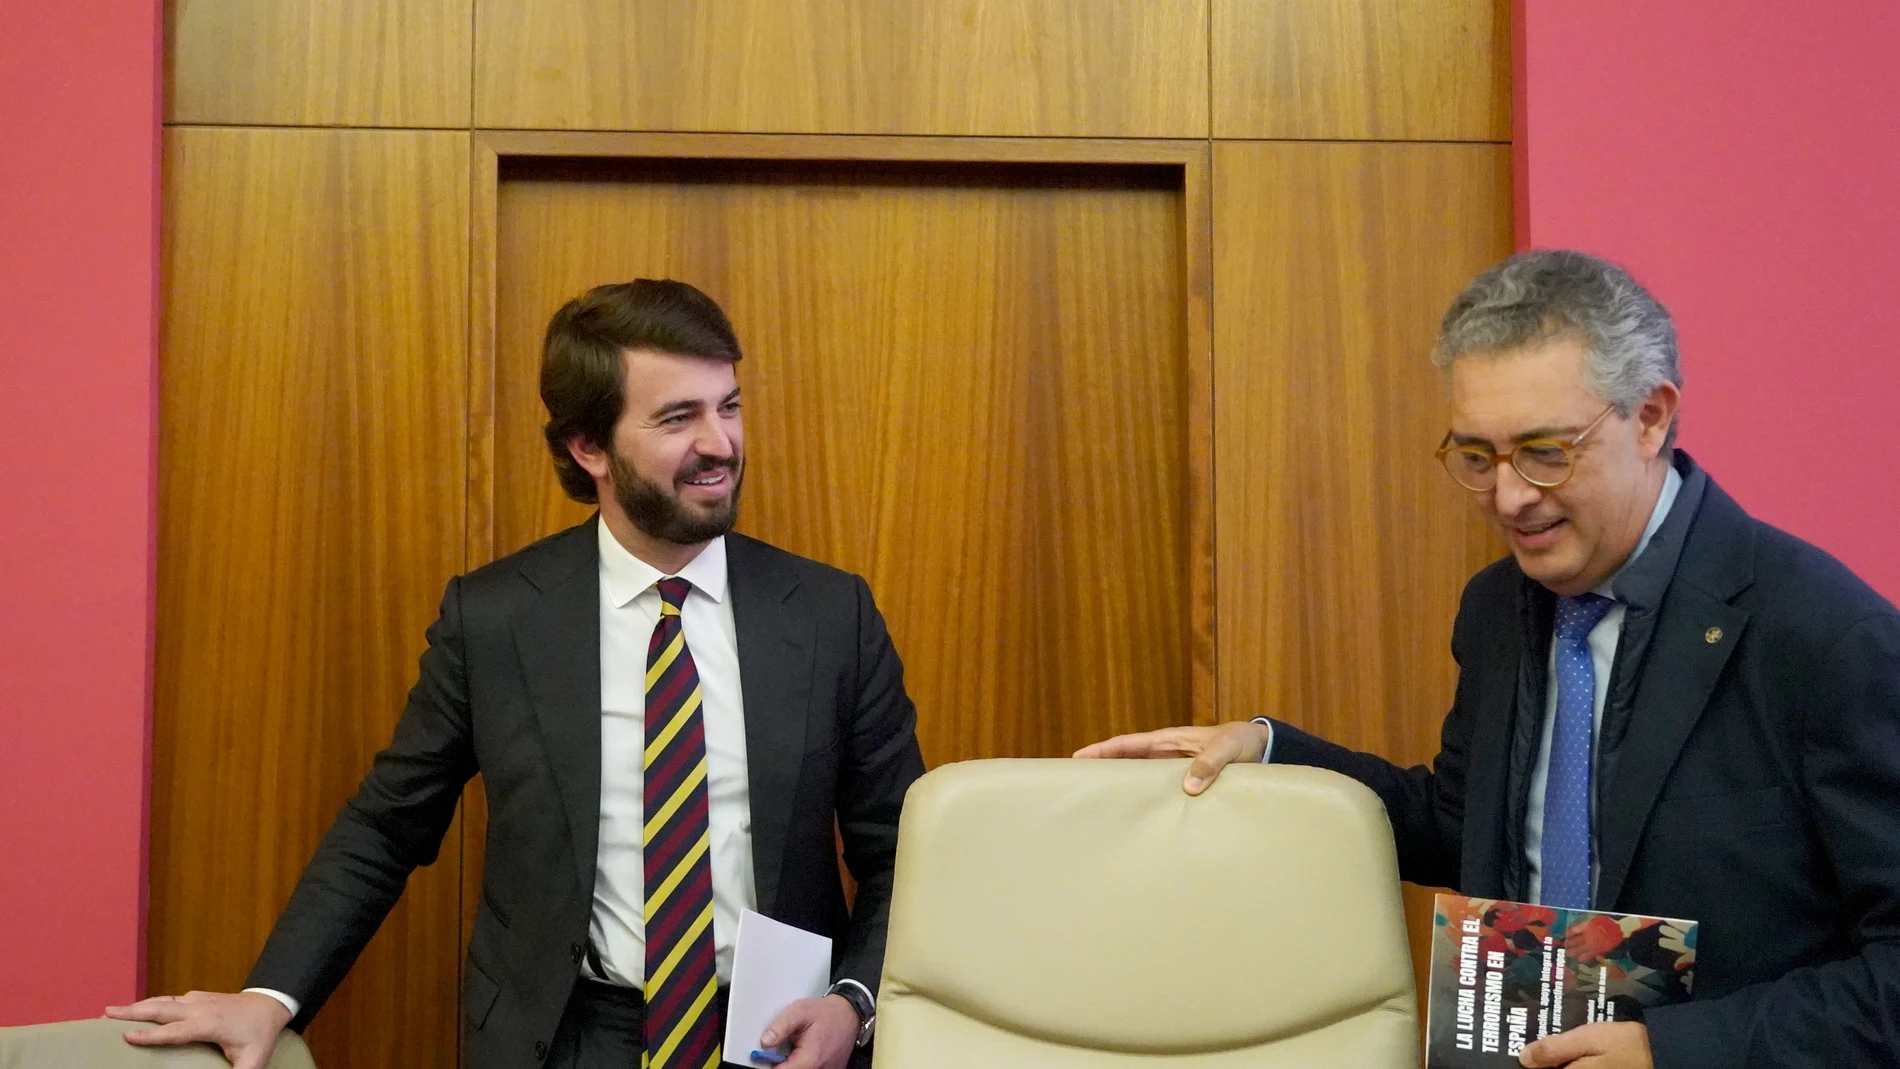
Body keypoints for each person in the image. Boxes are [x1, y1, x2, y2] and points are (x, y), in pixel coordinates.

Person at [1077, 250, 1900, 1069]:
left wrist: (1679, 1052)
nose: (1508, 497)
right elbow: (1463, 827)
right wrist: (1271, 755)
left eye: (1546, 452)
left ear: (1650, 416)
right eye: (1477, 458)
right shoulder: (1498, 607)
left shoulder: (1824, 635)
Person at [110, 279, 926, 1069]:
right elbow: (387, 825)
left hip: (776, 1036)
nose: (720, 442)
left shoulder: (829, 615)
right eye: (679, 417)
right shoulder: (497, 618)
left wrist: (852, 1000)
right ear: (589, 446)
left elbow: (904, 851)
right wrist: (270, 994)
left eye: (729, 406)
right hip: (567, 1037)